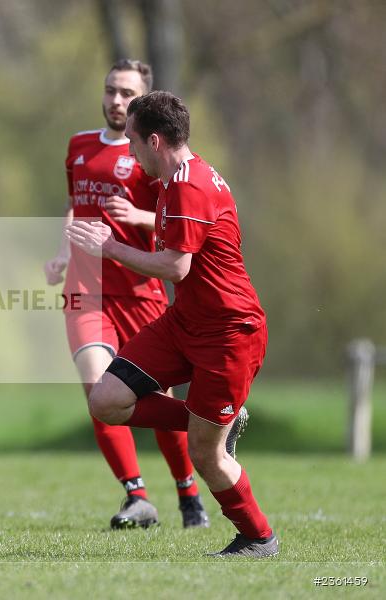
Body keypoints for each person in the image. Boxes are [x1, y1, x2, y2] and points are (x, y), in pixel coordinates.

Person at [65, 91, 277, 557]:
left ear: (154, 140)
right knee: (106, 399)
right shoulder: (172, 180)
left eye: (133, 141)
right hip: (185, 323)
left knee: (207, 455)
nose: (130, 150)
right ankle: (216, 423)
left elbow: (176, 267)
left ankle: (258, 537)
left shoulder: (188, 185)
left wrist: (111, 248)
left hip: (229, 333)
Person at [45, 59, 208, 529]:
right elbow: (75, 207)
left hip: (141, 292)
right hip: (86, 290)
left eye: (127, 94)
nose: (117, 101)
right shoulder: (78, 145)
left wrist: (136, 218)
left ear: (143, 101)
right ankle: (136, 495)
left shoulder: (155, 155)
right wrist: (61, 254)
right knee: (98, 389)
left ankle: (188, 491)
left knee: (154, 398)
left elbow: (175, 221)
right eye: (111, 90)